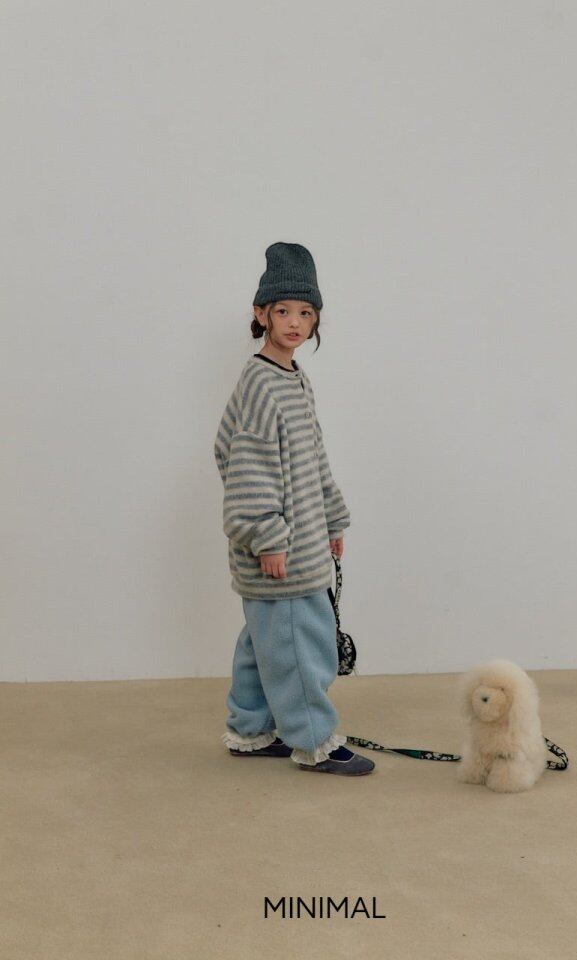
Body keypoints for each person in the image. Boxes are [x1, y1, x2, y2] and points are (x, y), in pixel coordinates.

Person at [213, 242, 374, 776]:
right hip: (279, 554)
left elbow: (312, 458)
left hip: (299, 543)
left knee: (263, 645)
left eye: (306, 312)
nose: (295, 323)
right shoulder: (261, 382)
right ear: (261, 313)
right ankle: (314, 741)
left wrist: (332, 519)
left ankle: (251, 730)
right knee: (298, 647)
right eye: (283, 310)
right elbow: (247, 465)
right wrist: (267, 537)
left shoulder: (293, 377)